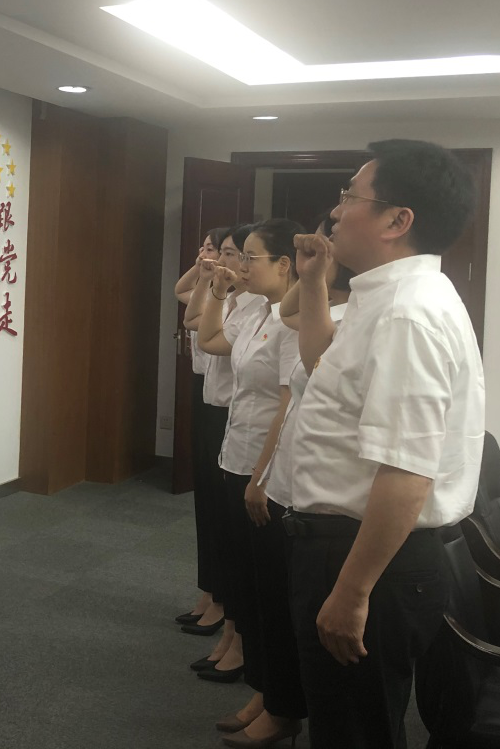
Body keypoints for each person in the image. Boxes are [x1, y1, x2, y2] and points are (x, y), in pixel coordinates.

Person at [284, 140, 483, 749]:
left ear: (398, 221)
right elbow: (322, 366)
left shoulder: (406, 314)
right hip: (353, 548)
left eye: (350, 195)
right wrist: (313, 283)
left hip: (367, 558)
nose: (335, 211)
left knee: (355, 730)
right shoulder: (385, 297)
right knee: (348, 720)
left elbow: (407, 473)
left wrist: (351, 592)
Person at [195, 219, 305, 747]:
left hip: (266, 471)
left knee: (269, 596)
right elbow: (209, 340)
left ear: (284, 265)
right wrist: (218, 292)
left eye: (250, 257)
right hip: (236, 456)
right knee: (245, 583)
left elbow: (288, 405)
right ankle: (263, 691)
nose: (240, 265)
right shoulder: (257, 311)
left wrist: (261, 478)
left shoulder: (292, 324)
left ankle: (278, 703)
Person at [182, 224, 263, 678]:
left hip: (244, 425)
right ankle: (217, 603)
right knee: (214, 517)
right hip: (222, 416)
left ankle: (233, 625)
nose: (232, 263)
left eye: (241, 255)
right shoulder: (232, 299)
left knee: (236, 535)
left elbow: (206, 336)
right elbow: (193, 321)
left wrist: (217, 288)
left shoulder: (263, 311)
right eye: (231, 253)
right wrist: (209, 281)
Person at [171, 227, 226, 630]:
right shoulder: (207, 290)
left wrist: (215, 279)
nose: (206, 253)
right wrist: (201, 269)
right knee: (205, 503)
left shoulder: (237, 302)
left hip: (225, 405)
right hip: (204, 393)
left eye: (217, 249)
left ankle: (222, 600)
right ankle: (208, 591)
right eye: (204, 246)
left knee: (221, 510)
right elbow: (181, 293)